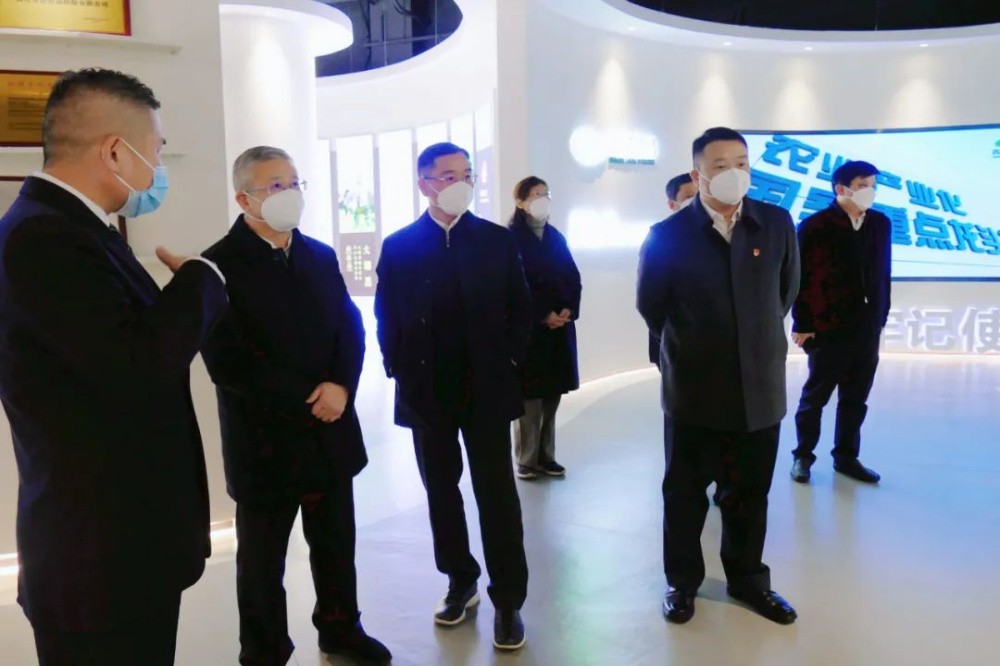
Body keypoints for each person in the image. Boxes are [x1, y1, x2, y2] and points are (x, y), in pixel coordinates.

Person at [0, 68, 227, 665]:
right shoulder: (45, 238)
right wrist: (202, 281)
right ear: (115, 152)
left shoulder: (73, 228)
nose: (159, 168)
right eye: (156, 151)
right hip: (98, 558)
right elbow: (139, 365)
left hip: (117, 548)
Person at [200, 147, 391, 665]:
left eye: (293, 182)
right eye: (274, 186)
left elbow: (350, 328)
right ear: (244, 199)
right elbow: (227, 361)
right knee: (263, 560)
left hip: (330, 432)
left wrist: (342, 388)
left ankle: (340, 630)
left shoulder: (320, 256)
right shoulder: (217, 265)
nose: (289, 194)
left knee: (336, 544)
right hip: (263, 440)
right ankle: (263, 651)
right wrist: (309, 399)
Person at [637, 127, 800, 626]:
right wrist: (698, 345)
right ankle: (682, 582)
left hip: (759, 389)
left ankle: (748, 580)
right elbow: (652, 306)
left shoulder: (775, 223)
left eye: (742, 162)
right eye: (721, 165)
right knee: (685, 495)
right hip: (695, 390)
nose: (734, 173)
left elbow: (785, 292)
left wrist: (750, 339)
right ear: (698, 173)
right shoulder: (667, 235)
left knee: (749, 494)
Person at [374, 142, 532, 651]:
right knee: (441, 492)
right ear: (424, 183)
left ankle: (508, 600)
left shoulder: (495, 240)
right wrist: (398, 369)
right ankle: (460, 580)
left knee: (497, 495)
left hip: (487, 390)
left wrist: (508, 362)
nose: (460, 183)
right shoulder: (400, 246)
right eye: (447, 176)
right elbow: (386, 317)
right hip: (427, 393)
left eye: (466, 174)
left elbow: (520, 309)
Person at [790, 160, 891, 485]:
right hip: (827, 327)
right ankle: (803, 456)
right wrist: (802, 322)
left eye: (872, 185)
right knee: (815, 398)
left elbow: (884, 272)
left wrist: (881, 314)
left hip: (866, 327)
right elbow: (799, 277)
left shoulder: (880, 223)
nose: (869, 191)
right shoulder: (815, 226)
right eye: (862, 185)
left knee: (855, 399)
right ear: (841, 188)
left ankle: (846, 458)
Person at [507, 176, 581, 480]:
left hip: (558, 330)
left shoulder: (555, 237)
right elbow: (513, 287)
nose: (543, 199)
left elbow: (572, 277)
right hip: (529, 332)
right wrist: (542, 314)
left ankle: (546, 456)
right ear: (521, 201)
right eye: (536, 194)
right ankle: (526, 458)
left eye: (546, 193)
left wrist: (568, 309)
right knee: (529, 400)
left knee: (552, 396)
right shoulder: (509, 239)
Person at [649, 173, 700, 367]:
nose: (696, 202)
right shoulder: (661, 237)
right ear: (672, 205)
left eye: (700, 196)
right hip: (675, 339)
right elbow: (650, 299)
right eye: (689, 197)